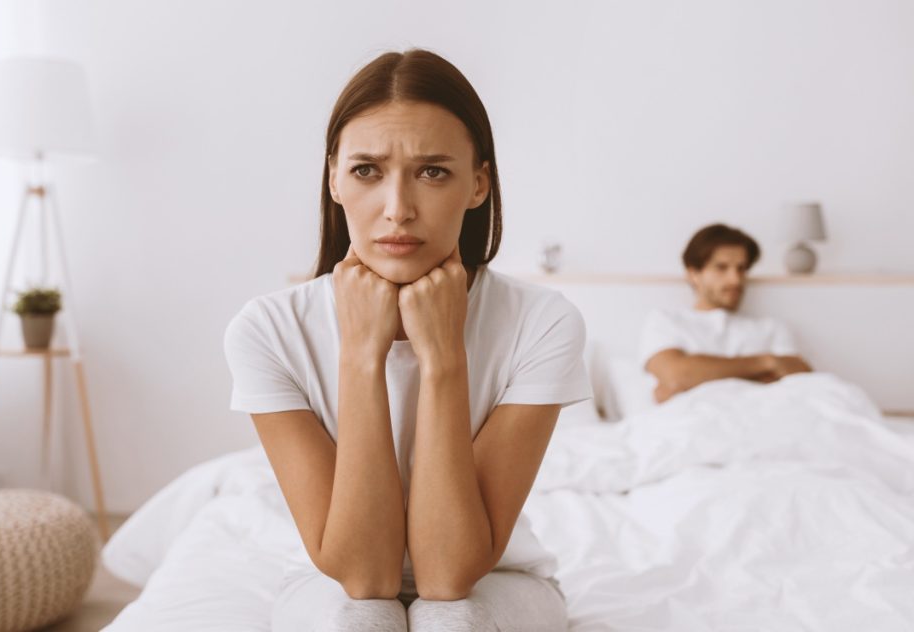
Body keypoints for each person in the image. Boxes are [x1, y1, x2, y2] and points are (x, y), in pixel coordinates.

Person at [223, 48, 591, 631]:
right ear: (334, 179)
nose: (397, 210)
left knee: (451, 622)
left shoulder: (542, 321)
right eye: (367, 171)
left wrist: (443, 358)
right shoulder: (267, 329)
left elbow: (448, 576)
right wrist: (360, 355)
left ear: (478, 184)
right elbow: (364, 576)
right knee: (360, 621)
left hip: (498, 578)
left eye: (432, 172)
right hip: (330, 579)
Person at [640, 223, 813, 404]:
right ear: (693, 274)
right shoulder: (665, 321)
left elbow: (804, 381)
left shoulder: (771, 327)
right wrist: (767, 363)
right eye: (721, 268)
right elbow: (676, 376)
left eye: (741, 268)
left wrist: (696, 376)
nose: (735, 280)